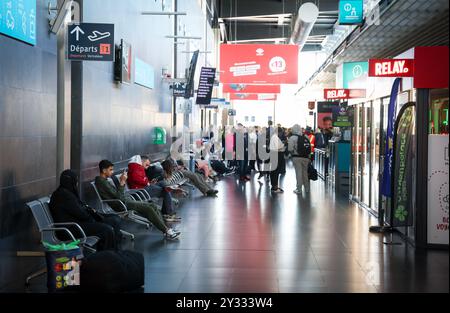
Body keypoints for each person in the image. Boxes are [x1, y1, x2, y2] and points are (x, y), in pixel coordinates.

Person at [94, 160, 181, 240]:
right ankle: (167, 231)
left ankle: (167, 230)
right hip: (121, 204)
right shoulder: (101, 182)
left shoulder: (104, 180)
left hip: (125, 200)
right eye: (110, 170)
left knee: (152, 205)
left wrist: (122, 183)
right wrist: (122, 182)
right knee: (149, 208)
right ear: (104, 170)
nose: (112, 172)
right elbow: (119, 197)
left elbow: (118, 195)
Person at [50, 170, 122, 251]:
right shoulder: (65, 196)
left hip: (73, 226)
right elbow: (82, 214)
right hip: (69, 230)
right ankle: (107, 256)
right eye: (76, 181)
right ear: (72, 182)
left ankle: (113, 253)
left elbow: (79, 211)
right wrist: (92, 215)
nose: (77, 184)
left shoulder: (62, 193)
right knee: (106, 230)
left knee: (112, 221)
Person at [127, 155, 180, 222]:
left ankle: (167, 212)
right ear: (142, 161)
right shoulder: (136, 168)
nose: (148, 167)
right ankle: (168, 214)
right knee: (165, 190)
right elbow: (137, 179)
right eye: (147, 164)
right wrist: (147, 182)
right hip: (140, 192)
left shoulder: (137, 167)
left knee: (162, 183)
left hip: (143, 189)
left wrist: (149, 182)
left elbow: (142, 180)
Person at [288, 124, 312, 194]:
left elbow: (290, 149)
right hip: (306, 158)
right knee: (305, 173)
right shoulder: (306, 137)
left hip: (297, 157)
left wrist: (292, 154)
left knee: (298, 173)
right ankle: (307, 189)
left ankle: (299, 189)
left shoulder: (292, 138)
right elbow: (309, 147)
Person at [269, 126, 285, 193]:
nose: (281, 134)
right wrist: (284, 144)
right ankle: (275, 187)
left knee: (273, 172)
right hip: (276, 155)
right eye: (281, 132)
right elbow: (278, 147)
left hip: (274, 155)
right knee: (275, 172)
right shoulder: (275, 137)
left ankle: (274, 186)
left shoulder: (274, 137)